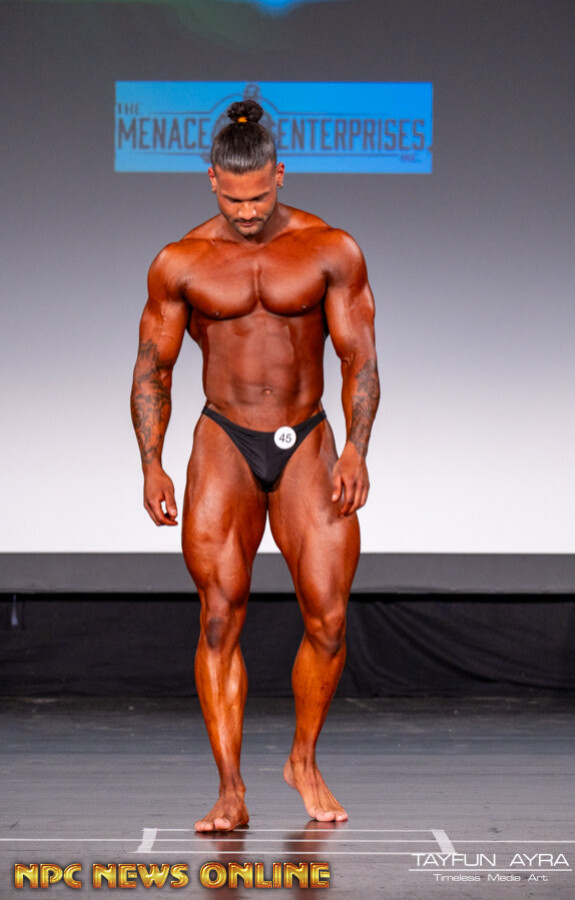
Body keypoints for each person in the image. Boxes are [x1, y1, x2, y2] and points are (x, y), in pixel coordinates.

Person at [130, 99, 379, 832]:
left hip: (308, 438)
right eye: (234, 200)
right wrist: (151, 463)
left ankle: (303, 759)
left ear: (280, 174)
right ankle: (230, 790)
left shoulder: (330, 249)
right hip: (224, 439)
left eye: (260, 198)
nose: (246, 213)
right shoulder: (181, 262)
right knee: (218, 616)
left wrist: (357, 447)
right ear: (213, 180)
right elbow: (153, 370)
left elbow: (360, 359)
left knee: (329, 618)